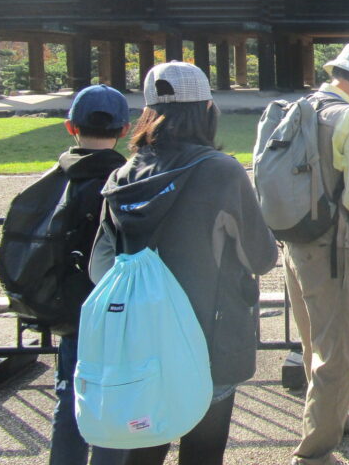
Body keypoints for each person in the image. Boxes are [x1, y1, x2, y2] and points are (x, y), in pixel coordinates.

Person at [90, 61, 277, 465]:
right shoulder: (221, 172)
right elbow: (261, 257)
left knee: (145, 444)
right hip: (210, 335)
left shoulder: (123, 175)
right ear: (208, 108)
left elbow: (100, 267)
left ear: (148, 112)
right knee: (204, 452)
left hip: (142, 338)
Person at [281, 43, 349, 465]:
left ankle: (332, 418)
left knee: (313, 339)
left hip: (293, 237)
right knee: (337, 349)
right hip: (328, 245)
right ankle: (315, 451)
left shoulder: (300, 107)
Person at [47, 85, 130, 465]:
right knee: (115, 402)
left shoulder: (57, 180)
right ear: (124, 129)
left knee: (70, 400)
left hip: (71, 308)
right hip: (115, 310)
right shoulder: (127, 180)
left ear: (71, 127)